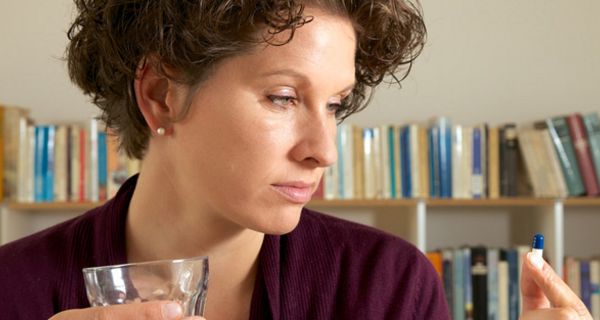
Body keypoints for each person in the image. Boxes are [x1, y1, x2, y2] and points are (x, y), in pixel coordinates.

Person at [0, 0, 592, 319]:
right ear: (161, 94)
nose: (324, 150)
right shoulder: (11, 291)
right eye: (283, 97)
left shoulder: (388, 287)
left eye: (336, 104)